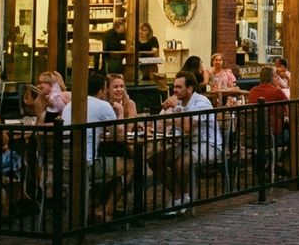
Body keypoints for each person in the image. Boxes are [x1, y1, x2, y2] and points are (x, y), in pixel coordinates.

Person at [61, 72, 132, 221]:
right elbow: (119, 134)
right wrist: (119, 112)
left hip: (62, 167)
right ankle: (107, 212)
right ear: (102, 90)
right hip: (85, 166)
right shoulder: (102, 105)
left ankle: (94, 207)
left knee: (112, 170)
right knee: (129, 165)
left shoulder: (70, 105)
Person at [149, 71, 221, 209]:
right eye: (174, 86)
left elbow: (186, 126)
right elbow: (159, 124)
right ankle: (179, 195)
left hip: (207, 144)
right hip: (184, 144)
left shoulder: (201, 102)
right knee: (154, 161)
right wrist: (166, 112)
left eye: (179, 87)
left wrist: (174, 111)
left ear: (190, 88)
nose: (175, 90)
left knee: (182, 161)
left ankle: (182, 198)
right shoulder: (178, 102)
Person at [247, 66, 288, 143]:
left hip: (254, 135)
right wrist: (277, 87)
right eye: (276, 76)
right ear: (272, 78)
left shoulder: (252, 91)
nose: (277, 79)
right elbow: (289, 110)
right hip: (274, 135)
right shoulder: (277, 92)